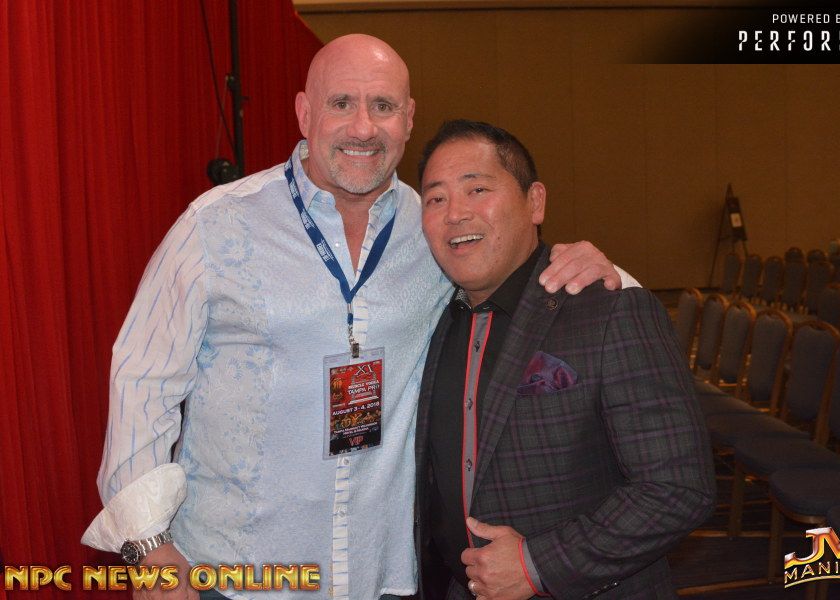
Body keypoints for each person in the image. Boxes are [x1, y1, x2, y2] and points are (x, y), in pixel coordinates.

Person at [81, 35, 636, 600]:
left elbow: (520, 268)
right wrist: (146, 543)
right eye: (341, 103)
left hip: (381, 572)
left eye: (383, 106)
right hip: (235, 573)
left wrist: (598, 269)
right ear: (304, 113)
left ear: (409, 118)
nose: (364, 127)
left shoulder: (436, 228)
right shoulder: (215, 225)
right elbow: (142, 380)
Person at [414, 120, 715, 600]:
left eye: (478, 189)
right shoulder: (432, 319)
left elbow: (677, 489)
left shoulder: (608, 310)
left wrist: (537, 565)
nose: (455, 214)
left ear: (534, 202)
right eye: (435, 199)